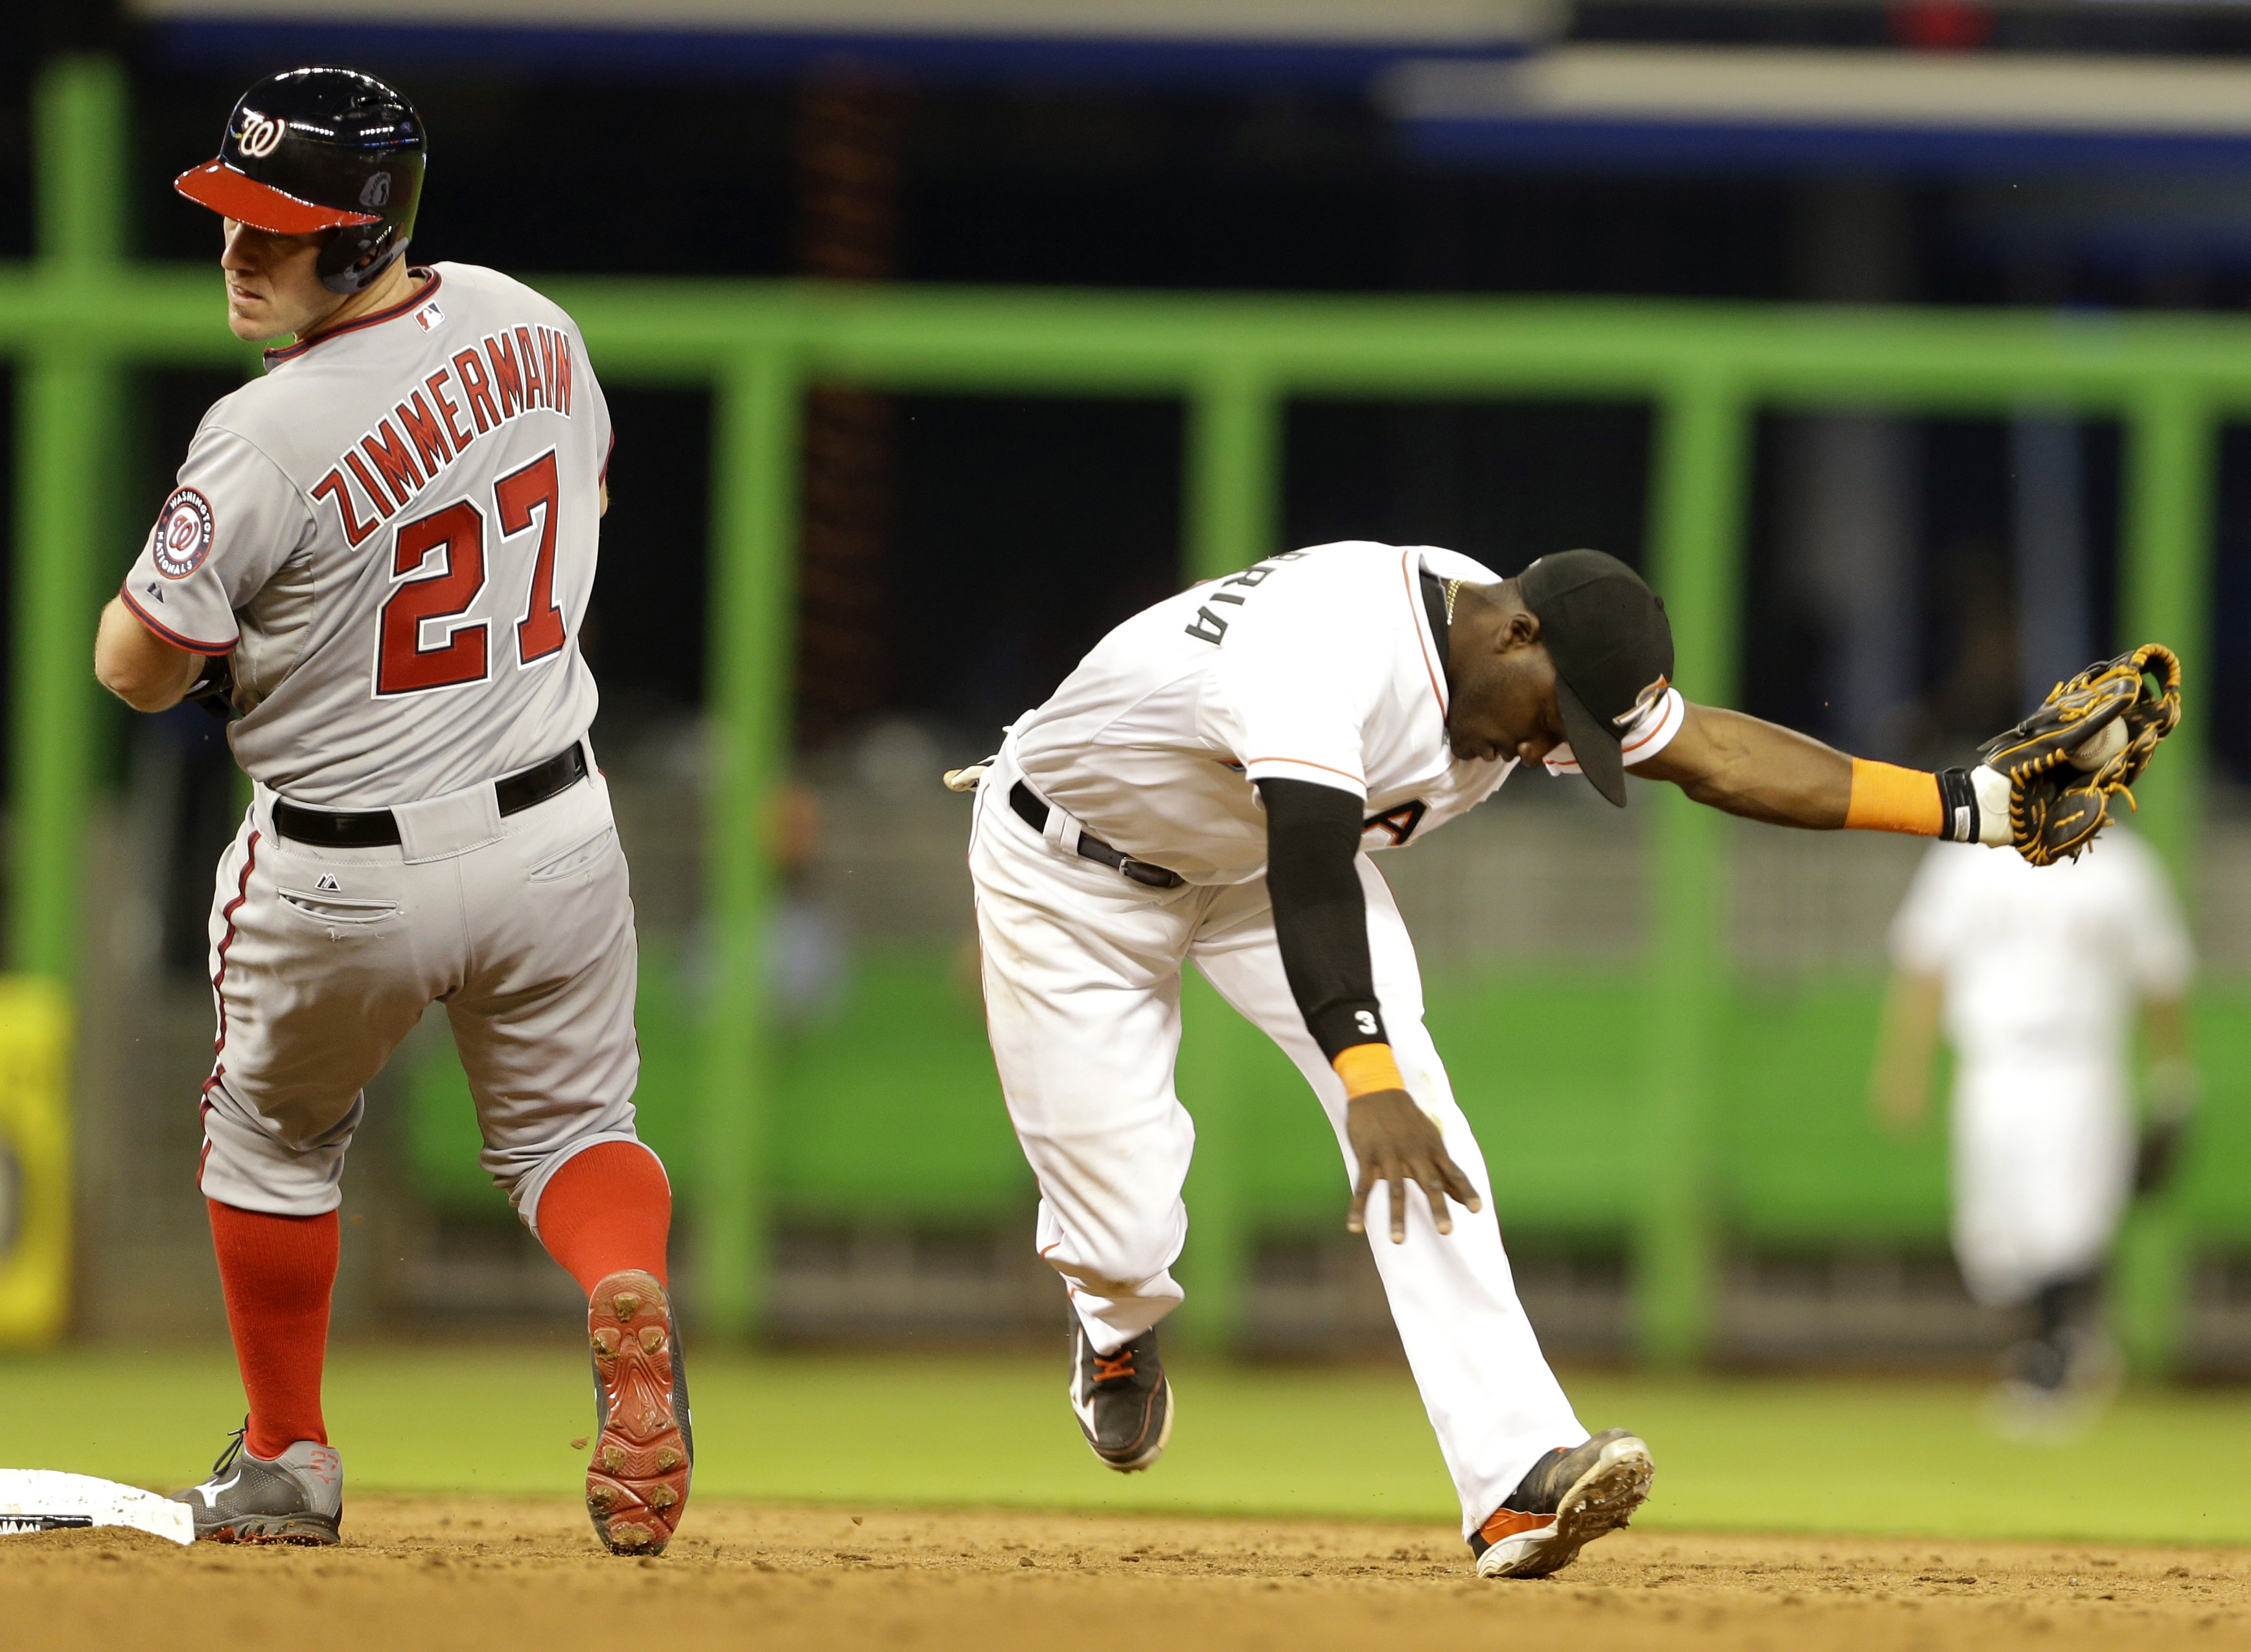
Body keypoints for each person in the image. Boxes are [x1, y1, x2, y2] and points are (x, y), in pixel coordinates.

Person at [957, 539, 2085, 1579]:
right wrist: (1365, 1079)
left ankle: (1513, 1479)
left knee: (1425, 1140)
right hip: (1072, 878)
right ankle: (1110, 1325)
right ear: (1511, 637)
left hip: (1249, 866)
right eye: (1554, 721)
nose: (1550, 748)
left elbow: (1715, 757)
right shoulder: (1323, 652)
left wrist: (1959, 806)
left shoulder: (1521, 646)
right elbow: (1309, 873)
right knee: (1128, 1229)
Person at [94, 67, 688, 1552]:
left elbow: (133, 664)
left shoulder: (266, 428)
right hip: (556, 829)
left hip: (338, 869)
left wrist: (243, 666)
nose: (237, 250)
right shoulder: (529, 322)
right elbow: (581, 513)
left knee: (272, 1143)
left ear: (358, 236)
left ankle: (288, 1459)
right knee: (575, 1137)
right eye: (226, 216)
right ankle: (626, 1289)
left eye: (272, 227)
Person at [1870, 829, 2193, 1431]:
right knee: (1991, 1242)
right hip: (1990, 1061)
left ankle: (2052, 1361)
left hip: (2081, 1061)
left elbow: (2162, 974)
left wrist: (2174, 1083)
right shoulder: (1967, 857)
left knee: (2066, 1221)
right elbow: (1924, 961)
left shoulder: (2122, 866)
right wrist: (1903, 1067)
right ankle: (2067, 1339)